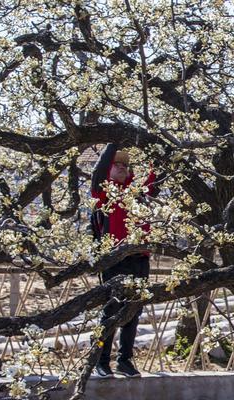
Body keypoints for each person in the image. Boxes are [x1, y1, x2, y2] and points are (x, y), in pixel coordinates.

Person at [90, 143, 156, 378]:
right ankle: (100, 360)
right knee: (111, 309)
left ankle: (125, 361)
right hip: (114, 258)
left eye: (124, 165)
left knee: (134, 309)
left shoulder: (136, 191)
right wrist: (113, 143)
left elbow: (154, 180)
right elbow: (98, 171)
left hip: (139, 257)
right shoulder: (103, 192)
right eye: (116, 164)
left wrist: (157, 151)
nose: (121, 168)